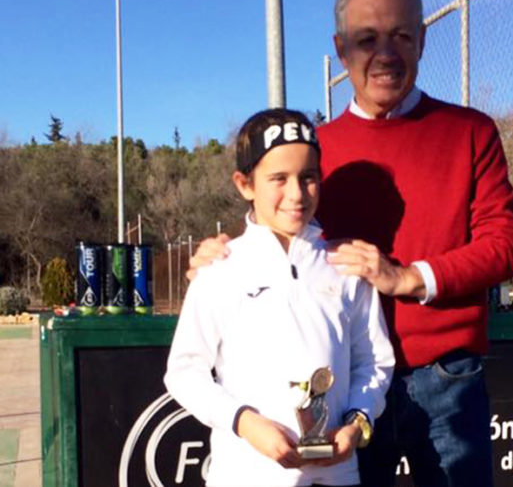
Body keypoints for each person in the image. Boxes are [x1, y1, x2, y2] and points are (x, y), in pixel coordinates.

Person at [188, 0, 513, 486]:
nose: (385, 54)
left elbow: (504, 244)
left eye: (401, 36)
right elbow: (285, 224)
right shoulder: (318, 150)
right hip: (339, 392)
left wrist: (408, 277)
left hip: (445, 379)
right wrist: (226, 251)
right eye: (367, 39)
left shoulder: (471, 132)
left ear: (423, 39)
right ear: (341, 48)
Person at [165, 108, 395, 487]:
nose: (296, 194)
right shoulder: (220, 270)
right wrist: (245, 422)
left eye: (308, 178)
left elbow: (373, 363)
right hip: (244, 475)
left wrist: (357, 422)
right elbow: (185, 372)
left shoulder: (346, 267)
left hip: (335, 476)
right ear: (245, 184)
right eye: (278, 178)